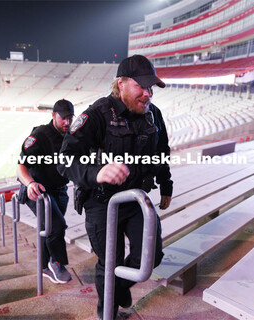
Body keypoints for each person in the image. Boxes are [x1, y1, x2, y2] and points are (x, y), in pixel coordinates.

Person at [57, 55, 173, 319]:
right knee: (110, 262)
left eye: (150, 87)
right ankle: (106, 314)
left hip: (136, 200)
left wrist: (166, 183)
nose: (147, 94)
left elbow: (161, 152)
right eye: (141, 86)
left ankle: (118, 288)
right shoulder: (96, 115)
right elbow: (64, 161)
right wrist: (97, 172)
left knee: (151, 257)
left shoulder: (153, 114)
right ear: (120, 83)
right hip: (101, 203)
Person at [17, 99, 75, 284]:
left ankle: (43, 267)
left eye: (70, 118)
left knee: (47, 229)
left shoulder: (70, 135)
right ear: (53, 116)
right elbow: (21, 167)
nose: (67, 122)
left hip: (60, 191)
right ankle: (57, 263)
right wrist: (30, 184)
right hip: (39, 192)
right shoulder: (40, 135)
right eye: (63, 118)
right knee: (57, 227)